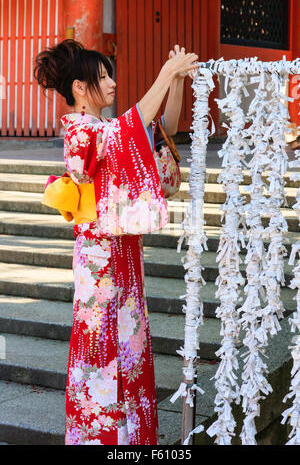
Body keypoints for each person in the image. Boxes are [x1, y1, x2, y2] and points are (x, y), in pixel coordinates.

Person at [34, 39, 198, 445]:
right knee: (101, 349)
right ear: (78, 87)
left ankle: (133, 441)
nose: (111, 83)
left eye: (110, 74)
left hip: (122, 252)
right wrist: (164, 74)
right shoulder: (79, 130)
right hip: (97, 257)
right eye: (102, 76)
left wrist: (174, 79)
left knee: (130, 342)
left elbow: (164, 128)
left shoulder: (106, 128)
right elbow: (131, 128)